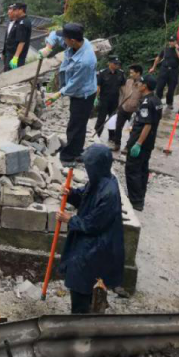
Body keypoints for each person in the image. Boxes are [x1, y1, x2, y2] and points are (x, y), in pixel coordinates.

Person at [57, 144, 125, 313]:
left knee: (83, 280)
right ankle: (82, 310)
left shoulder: (109, 193)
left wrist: (70, 219)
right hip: (90, 241)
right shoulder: (98, 181)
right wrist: (71, 194)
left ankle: (82, 318)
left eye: (89, 166)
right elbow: (84, 196)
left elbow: (93, 223)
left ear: (98, 166)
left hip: (99, 247)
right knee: (78, 276)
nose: (87, 169)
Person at [46, 23, 97, 165]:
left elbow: (75, 84)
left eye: (66, 39)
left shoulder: (86, 60)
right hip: (78, 89)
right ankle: (77, 151)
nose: (64, 41)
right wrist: (48, 47)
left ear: (72, 41)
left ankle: (68, 157)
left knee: (76, 124)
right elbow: (55, 35)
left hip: (84, 95)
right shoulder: (76, 42)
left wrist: (58, 94)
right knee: (79, 123)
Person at [124, 75, 163, 211]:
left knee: (133, 170)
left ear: (145, 86)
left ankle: (135, 201)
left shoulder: (147, 102)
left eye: (140, 83)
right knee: (142, 170)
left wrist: (138, 143)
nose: (139, 85)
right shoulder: (157, 100)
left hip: (140, 142)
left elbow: (147, 124)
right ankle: (140, 197)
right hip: (149, 142)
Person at [150, 34, 179, 111]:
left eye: (172, 41)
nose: (171, 42)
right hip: (164, 70)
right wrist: (153, 67)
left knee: (171, 88)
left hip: (173, 71)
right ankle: (157, 103)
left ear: (176, 41)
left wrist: (176, 49)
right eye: (170, 41)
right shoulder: (165, 49)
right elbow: (158, 58)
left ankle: (169, 103)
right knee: (159, 87)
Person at [112, 64, 143, 152]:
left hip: (134, 111)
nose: (130, 74)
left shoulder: (143, 84)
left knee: (132, 130)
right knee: (118, 127)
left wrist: (138, 109)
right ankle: (117, 144)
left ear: (138, 73)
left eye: (132, 73)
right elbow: (122, 93)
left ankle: (128, 147)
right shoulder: (128, 81)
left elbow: (143, 97)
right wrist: (119, 105)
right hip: (123, 108)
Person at [94, 57, 125, 139]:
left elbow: (123, 87)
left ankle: (111, 136)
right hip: (104, 100)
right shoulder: (102, 73)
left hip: (115, 100)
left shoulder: (120, 73)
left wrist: (124, 98)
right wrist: (95, 98)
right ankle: (97, 135)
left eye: (117, 63)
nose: (116, 65)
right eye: (115, 63)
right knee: (101, 119)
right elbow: (98, 86)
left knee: (113, 119)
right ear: (109, 63)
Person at [3, 2, 32, 71]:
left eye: (15, 10)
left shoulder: (23, 23)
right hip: (10, 54)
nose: (14, 12)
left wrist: (16, 57)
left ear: (21, 10)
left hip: (16, 56)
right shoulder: (18, 21)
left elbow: (21, 42)